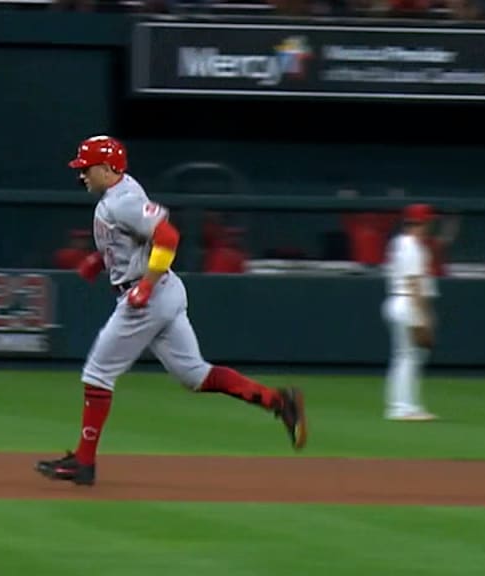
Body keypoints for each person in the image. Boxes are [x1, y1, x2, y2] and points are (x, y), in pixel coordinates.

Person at [35, 135, 308, 486]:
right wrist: (97, 260)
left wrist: (146, 285)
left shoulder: (123, 201)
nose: (81, 175)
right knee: (195, 375)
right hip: (163, 291)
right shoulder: (121, 192)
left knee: (97, 374)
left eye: (85, 169)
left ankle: (84, 464)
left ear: (106, 168)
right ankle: (279, 402)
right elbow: (134, 241)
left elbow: (168, 237)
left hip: (146, 295)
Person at [382, 203, 439, 422]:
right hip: (407, 303)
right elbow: (413, 283)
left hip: (403, 303)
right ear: (420, 223)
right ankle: (401, 408)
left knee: (410, 357)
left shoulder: (402, 243)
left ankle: (407, 405)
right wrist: (424, 316)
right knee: (407, 357)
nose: (430, 225)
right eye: (428, 221)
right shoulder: (410, 246)